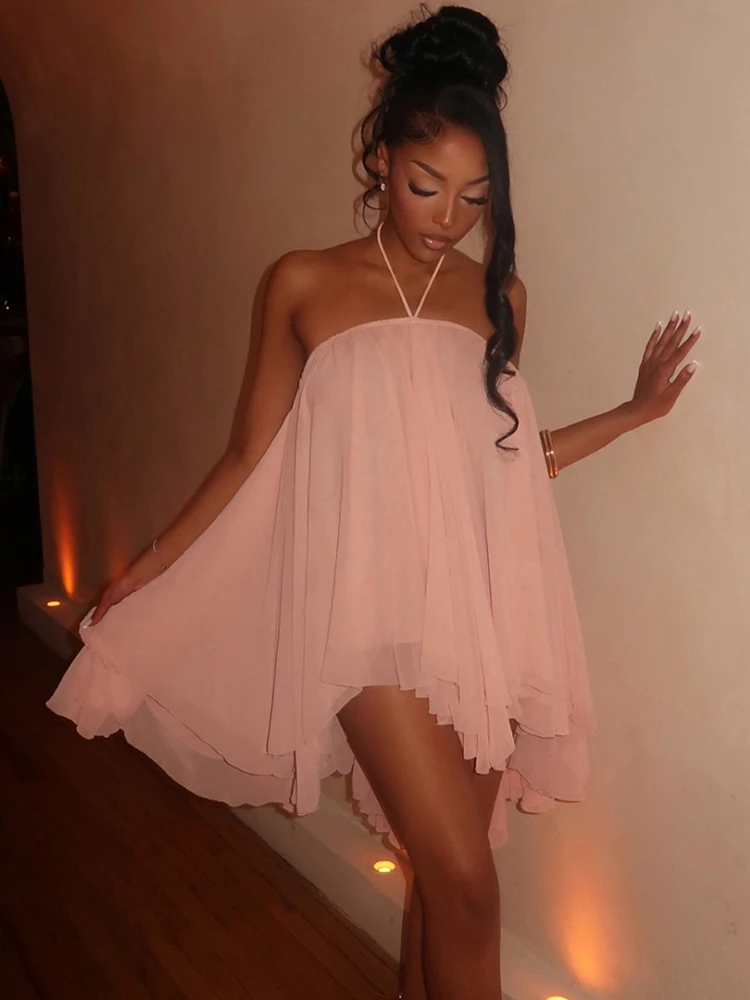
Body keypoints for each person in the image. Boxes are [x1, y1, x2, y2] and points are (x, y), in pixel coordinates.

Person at [47, 6, 700, 999]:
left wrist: (635, 412)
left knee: (443, 884)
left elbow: (502, 466)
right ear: (381, 159)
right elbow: (245, 455)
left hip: (475, 617)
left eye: (474, 198)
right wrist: (145, 568)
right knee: (467, 884)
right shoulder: (303, 283)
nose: (447, 216)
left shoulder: (500, 300)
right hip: (360, 618)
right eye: (425, 184)